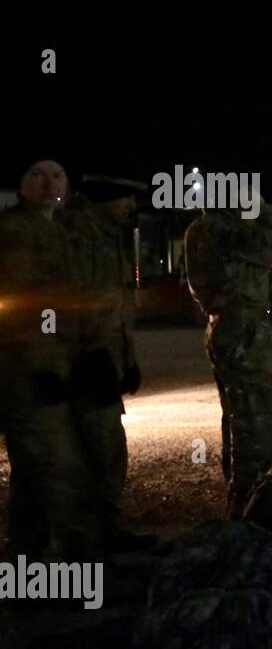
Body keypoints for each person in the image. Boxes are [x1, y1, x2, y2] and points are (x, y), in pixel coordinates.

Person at [0, 156, 91, 558]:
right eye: (35, 174)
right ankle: (64, 570)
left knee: (31, 473)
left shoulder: (57, 228)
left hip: (46, 361)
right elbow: (34, 305)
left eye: (57, 174)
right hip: (28, 367)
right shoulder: (16, 230)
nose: (46, 183)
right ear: (20, 185)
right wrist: (47, 361)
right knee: (59, 468)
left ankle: (27, 565)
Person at [58, 180, 153, 551]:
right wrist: (79, 358)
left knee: (110, 450)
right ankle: (83, 548)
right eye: (126, 196)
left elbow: (116, 307)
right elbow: (56, 304)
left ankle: (107, 534)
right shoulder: (75, 234)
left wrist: (127, 361)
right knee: (90, 455)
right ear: (105, 197)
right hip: (84, 364)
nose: (131, 204)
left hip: (106, 360)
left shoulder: (108, 235)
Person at [184, 187, 272, 517]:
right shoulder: (223, 228)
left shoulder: (204, 227)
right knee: (257, 421)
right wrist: (266, 210)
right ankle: (245, 504)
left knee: (237, 414)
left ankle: (241, 496)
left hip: (227, 325)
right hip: (242, 327)